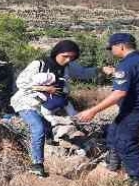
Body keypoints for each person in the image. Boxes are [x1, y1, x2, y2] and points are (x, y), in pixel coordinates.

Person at [10, 40, 109, 177]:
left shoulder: (68, 66)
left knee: (46, 129)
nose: (68, 60)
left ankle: (48, 146)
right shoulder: (39, 64)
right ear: (57, 52)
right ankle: (37, 164)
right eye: (65, 56)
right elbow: (21, 82)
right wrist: (44, 88)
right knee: (38, 127)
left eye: (72, 57)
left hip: (47, 106)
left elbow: (83, 73)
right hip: (27, 102)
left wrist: (102, 70)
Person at [76, 33, 139, 186]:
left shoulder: (126, 65)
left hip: (135, 110)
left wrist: (93, 111)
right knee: (114, 131)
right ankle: (113, 164)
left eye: (112, 48)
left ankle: (137, 179)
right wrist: (115, 73)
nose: (111, 51)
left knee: (126, 142)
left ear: (121, 46)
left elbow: (119, 93)